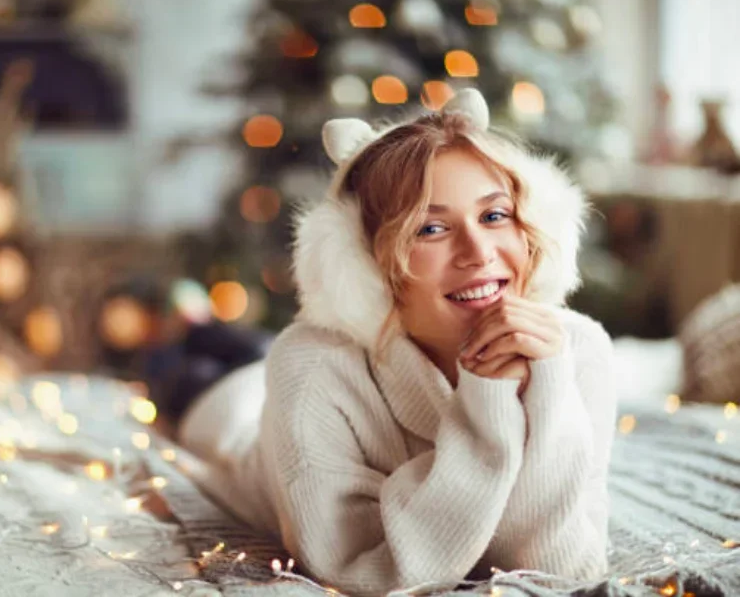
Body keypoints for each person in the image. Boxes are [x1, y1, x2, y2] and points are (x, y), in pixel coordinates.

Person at [178, 89, 616, 597]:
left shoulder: (577, 349)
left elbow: (562, 569)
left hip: (276, 371)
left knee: (240, 345)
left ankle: (203, 326)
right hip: (230, 415)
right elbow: (360, 570)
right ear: (363, 263)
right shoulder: (309, 366)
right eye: (431, 228)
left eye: (495, 216)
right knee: (184, 368)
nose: (478, 253)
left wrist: (537, 388)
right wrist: (487, 409)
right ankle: (183, 325)